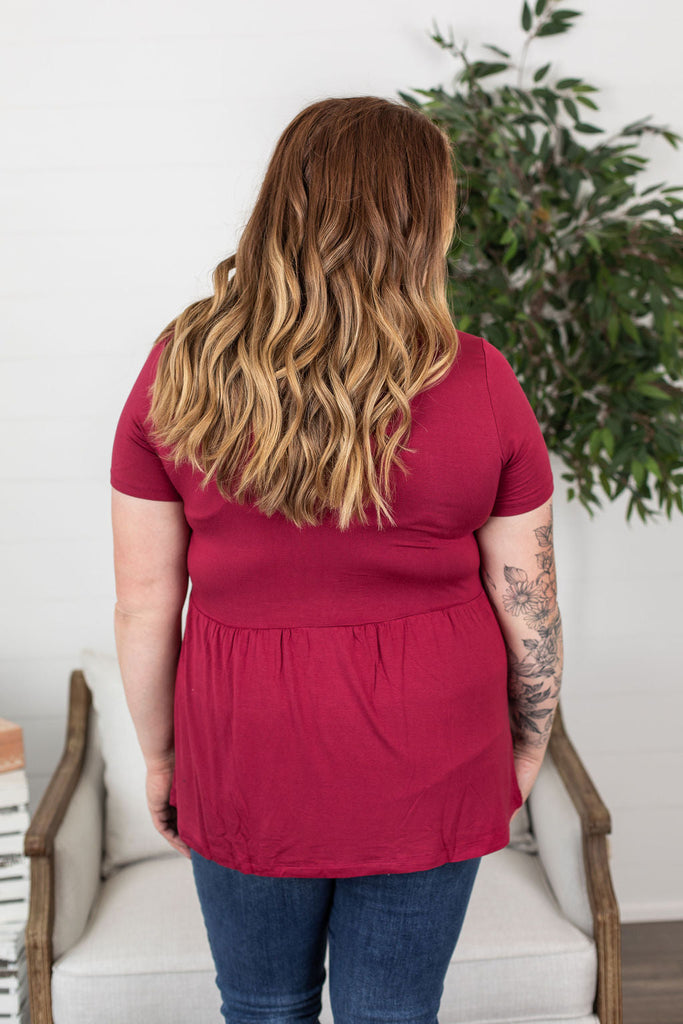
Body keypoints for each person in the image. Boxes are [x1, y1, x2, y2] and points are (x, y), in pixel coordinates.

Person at [110, 95, 563, 1024]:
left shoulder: (178, 369)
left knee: (261, 1008)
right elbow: (531, 603)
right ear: (422, 222)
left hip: (242, 746)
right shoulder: (479, 378)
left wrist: (162, 758)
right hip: (435, 746)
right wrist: (527, 743)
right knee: (392, 1015)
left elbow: (144, 603)